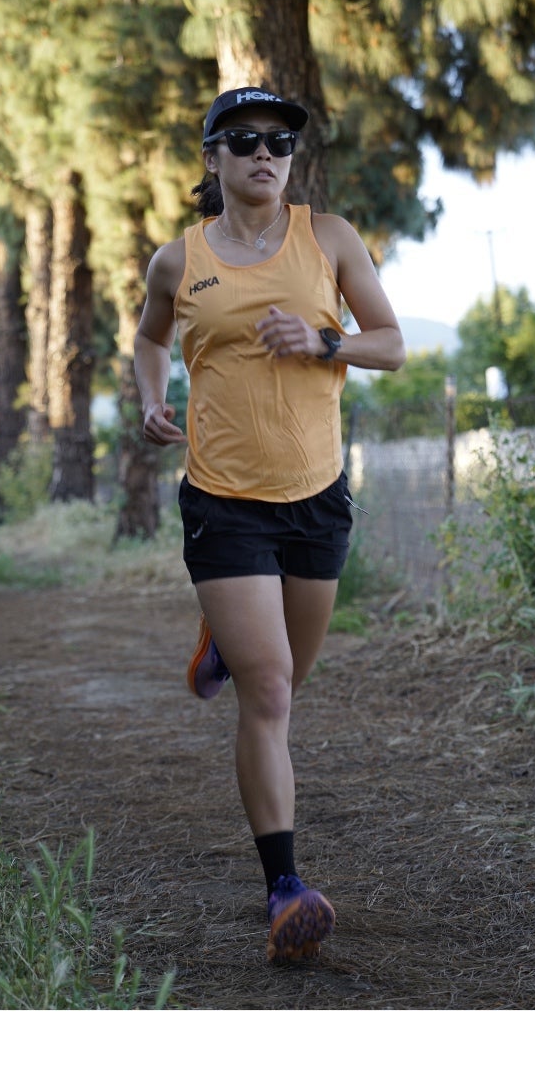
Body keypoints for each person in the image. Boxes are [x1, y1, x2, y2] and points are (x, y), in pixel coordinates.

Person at [133, 86, 406, 963]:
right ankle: (285, 889)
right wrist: (151, 396)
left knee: (291, 679)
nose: (264, 153)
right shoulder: (177, 262)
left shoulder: (330, 239)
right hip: (222, 498)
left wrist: (325, 342)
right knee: (272, 691)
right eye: (245, 139)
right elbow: (150, 339)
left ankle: (224, 636)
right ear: (213, 156)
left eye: (280, 142)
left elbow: (392, 343)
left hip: (316, 496)